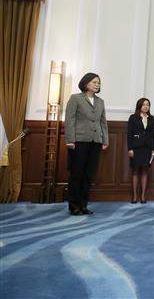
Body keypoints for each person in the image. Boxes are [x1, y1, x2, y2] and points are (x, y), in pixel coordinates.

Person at [64, 73, 109, 215]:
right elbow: (69, 120)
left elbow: (103, 122)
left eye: (98, 82)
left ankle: (83, 205)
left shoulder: (100, 102)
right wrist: (70, 140)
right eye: (94, 82)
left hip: (96, 141)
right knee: (77, 174)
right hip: (79, 141)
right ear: (86, 83)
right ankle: (74, 206)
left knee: (89, 175)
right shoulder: (75, 98)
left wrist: (105, 140)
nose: (97, 84)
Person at [127, 98, 154, 204]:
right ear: (139, 106)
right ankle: (135, 196)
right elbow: (129, 134)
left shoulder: (152, 118)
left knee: (145, 171)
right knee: (135, 171)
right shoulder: (133, 117)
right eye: (144, 105)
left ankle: (143, 196)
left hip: (147, 148)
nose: (146, 106)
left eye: (147, 105)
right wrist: (130, 148)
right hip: (136, 148)